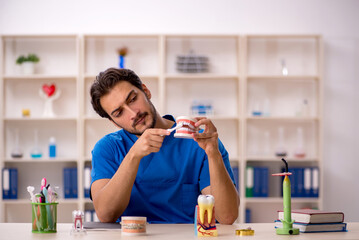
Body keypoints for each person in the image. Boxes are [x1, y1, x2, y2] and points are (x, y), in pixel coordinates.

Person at [89, 68, 239, 224]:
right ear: (114, 122)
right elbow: (106, 215)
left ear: (145, 91)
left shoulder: (200, 141)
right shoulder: (108, 148)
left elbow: (226, 216)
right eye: (119, 113)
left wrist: (213, 153)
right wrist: (133, 155)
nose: (133, 113)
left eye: (133, 99)